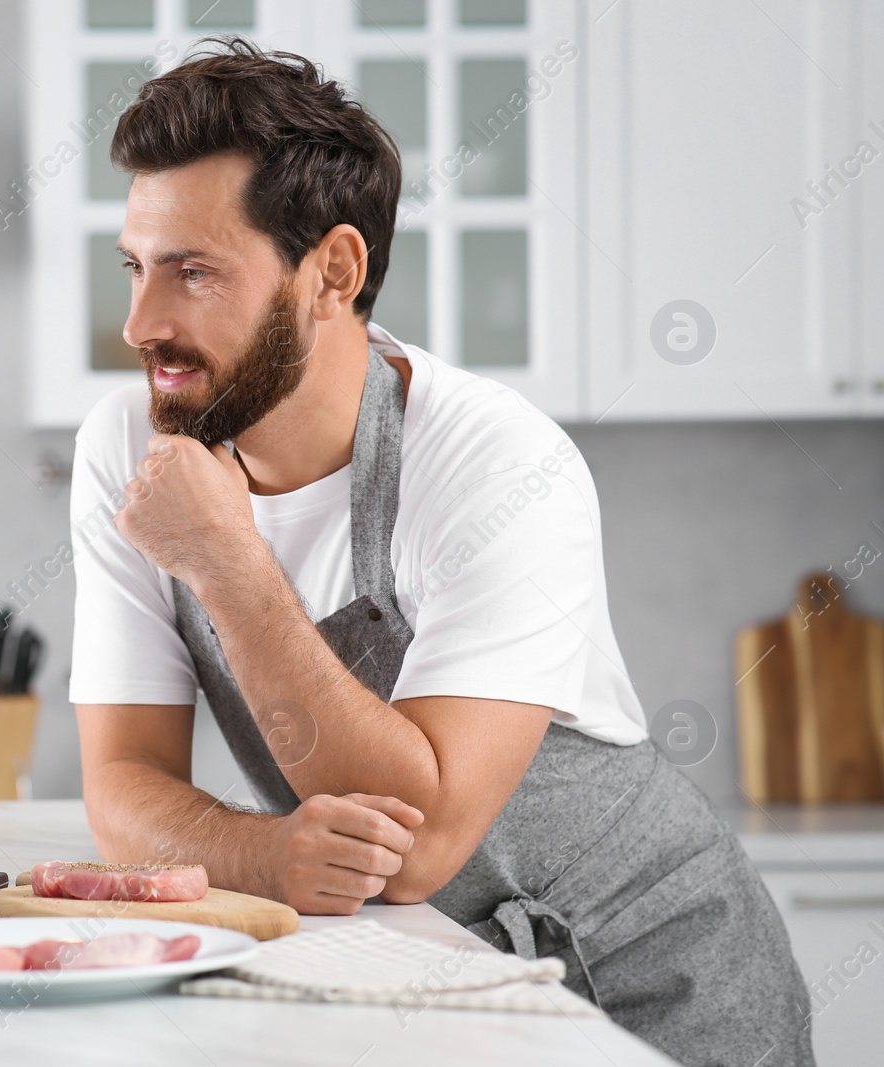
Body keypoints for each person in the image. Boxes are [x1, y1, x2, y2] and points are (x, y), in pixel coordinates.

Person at [68, 38, 814, 1066]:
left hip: (651, 1001)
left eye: (193, 272)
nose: (139, 323)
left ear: (333, 270)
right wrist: (269, 851)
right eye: (136, 268)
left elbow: (414, 848)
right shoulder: (125, 446)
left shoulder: (498, 458)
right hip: (440, 990)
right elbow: (118, 788)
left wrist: (227, 562)